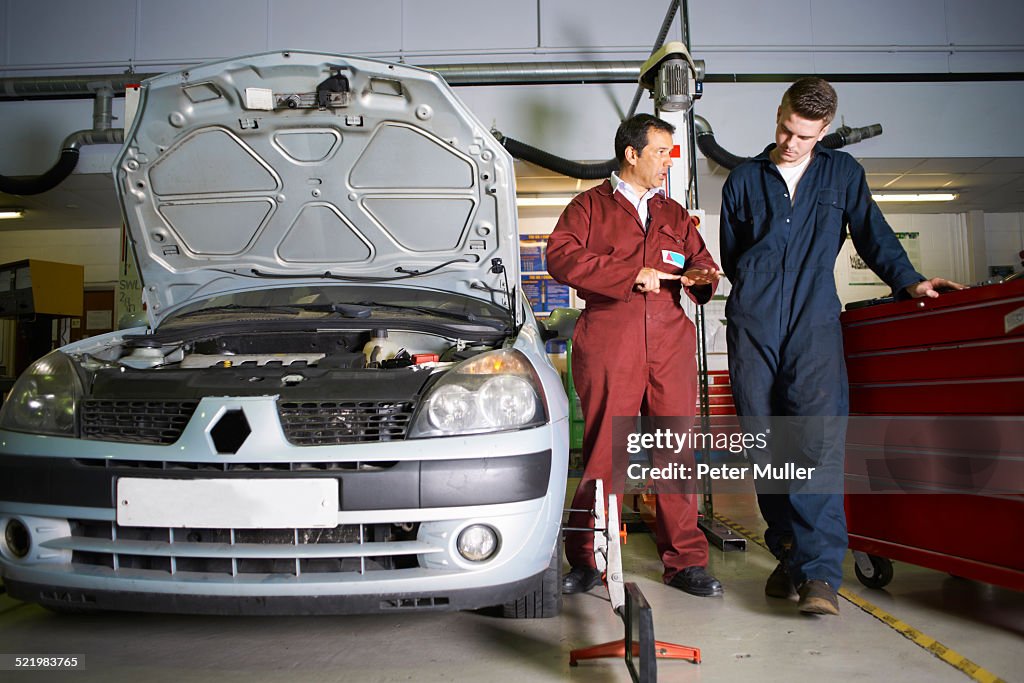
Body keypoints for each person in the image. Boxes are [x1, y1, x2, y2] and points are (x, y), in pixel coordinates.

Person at [719, 77, 965, 615]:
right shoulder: (741, 179)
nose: (790, 142)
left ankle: (822, 575)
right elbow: (735, 256)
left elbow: (874, 235)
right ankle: (789, 553)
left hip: (813, 323)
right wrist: (757, 299)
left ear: (824, 130)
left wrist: (909, 281)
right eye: (786, 128)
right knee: (767, 446)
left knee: (814, 445)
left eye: (804, 136)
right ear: (779, 111)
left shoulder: (842, 175)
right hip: (753, 322)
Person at [546, 114, 723, 597]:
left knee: (677, 453)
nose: (668, 161)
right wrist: (631, 272)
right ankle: (586, 559)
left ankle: (685, 562)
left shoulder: (674, 214)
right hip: (610, 336)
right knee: (607, 451)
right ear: (632, 153)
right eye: (660, 151)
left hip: (670, 338)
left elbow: (700, 260)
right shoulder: (588, 207)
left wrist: (704, 274)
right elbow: (560, 257)